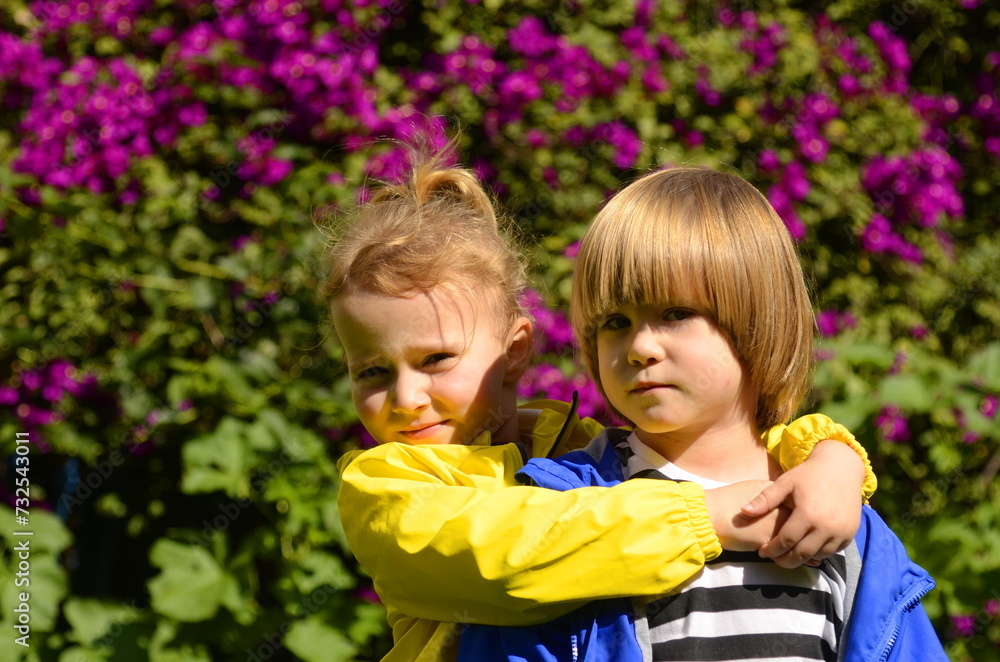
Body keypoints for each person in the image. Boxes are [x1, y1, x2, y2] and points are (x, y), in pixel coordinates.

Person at [328, 150, 877, 662]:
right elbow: (512, 554)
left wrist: (835, 460)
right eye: (371, 372)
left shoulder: (573, 453)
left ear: (516, 350)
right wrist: (709, 516)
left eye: (436, 358)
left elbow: (736, 447)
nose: (404, 399)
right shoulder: (383, 486)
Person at [455, 167, 946, 661]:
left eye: (675, 314)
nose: (640, 347)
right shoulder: (559, 507)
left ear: (757, 322)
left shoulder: (839, 521)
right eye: (615, 323)